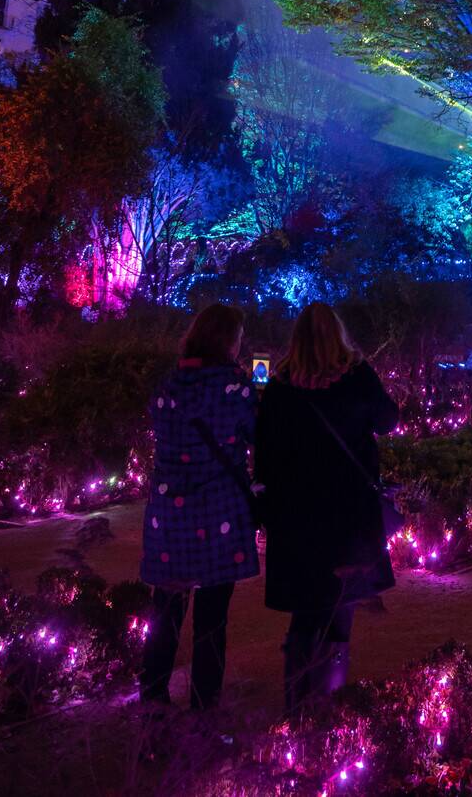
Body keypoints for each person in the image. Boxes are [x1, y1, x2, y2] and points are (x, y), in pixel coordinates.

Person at [254, 302, 398, 714]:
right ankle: (329, 703)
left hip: (296, 515)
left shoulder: (280, 385)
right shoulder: (355, 376)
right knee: (341, 607)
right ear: (339, 335)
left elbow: (263, 453)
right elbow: (388, 420)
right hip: (348, 514)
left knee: (305, 610)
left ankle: (296, 703)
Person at [139, 302, 259, 711]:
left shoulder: (169, 386)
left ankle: (153, 697)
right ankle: (204, 708)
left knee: (166, 608)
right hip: (218, 508)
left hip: (170, 512)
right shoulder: (235, 389)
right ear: (227, 341)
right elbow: (257, 434)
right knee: (212, 617)